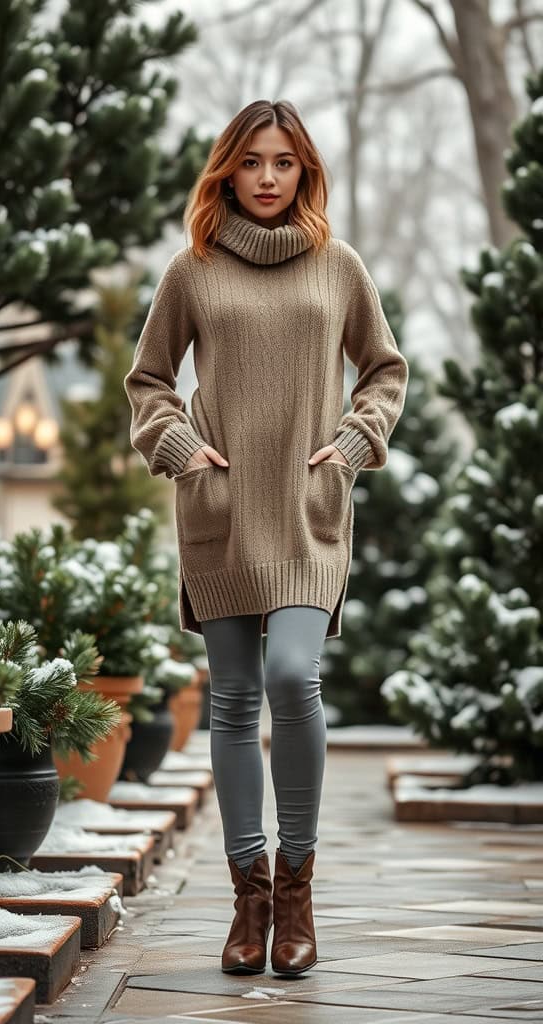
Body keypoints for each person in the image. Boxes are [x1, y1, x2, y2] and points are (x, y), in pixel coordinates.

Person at [124, 98, 409, 977]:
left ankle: (297, 888)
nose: (269, 177)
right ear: (228, 172)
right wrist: (177, 447)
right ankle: (249, 901)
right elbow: (149, 381)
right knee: (235, 701)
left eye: (284, 162)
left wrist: (358, 440)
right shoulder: (193, 270)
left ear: (305, 171)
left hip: (308, 509)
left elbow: (385, 370)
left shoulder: (339, 267)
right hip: (222, 508)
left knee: (293, 675)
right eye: (253, 162)